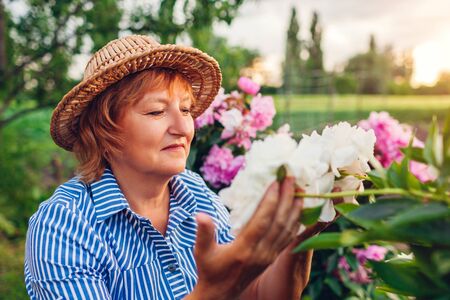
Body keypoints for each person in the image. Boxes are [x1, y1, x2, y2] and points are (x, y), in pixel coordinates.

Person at [24, 35, 335, 299]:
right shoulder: (63, 228)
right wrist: (211, 290)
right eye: (157, 112)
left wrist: (303, 233)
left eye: (185, 110)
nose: (183, 128)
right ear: (103, 132)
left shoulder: (196, 194)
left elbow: (258, 294)